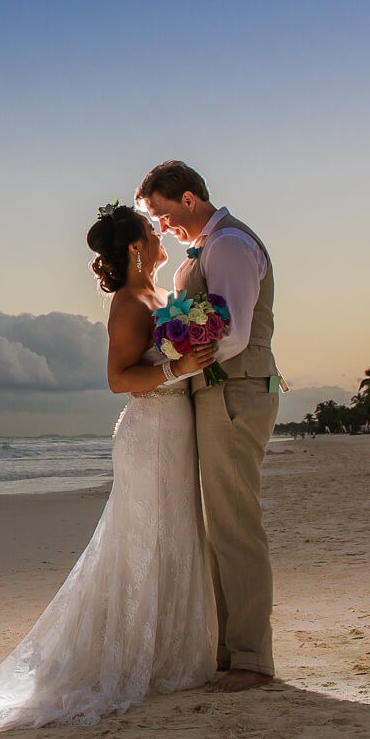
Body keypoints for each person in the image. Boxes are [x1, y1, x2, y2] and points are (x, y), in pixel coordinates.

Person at [0, 203, 216, 735]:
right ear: (134, 248)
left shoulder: (160, 297)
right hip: (149, 433)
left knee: (175, 532)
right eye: (152, 232)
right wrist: (180, 365)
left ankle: (167, 650)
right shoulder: (130, 304)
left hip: (175, 429)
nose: (159, 236)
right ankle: (135, 654)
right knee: (141, 538)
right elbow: (118, 378)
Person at [137, 160, 278, 694]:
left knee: (235, 523)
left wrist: (180, 353)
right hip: (215, 391)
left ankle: (250, 657)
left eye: (163, 211)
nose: (163, 224)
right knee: (220, 524)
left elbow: (235, 332)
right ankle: (228, 649)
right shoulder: (204, 251)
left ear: (189, 199)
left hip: (235, 390)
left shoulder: (230, 246)